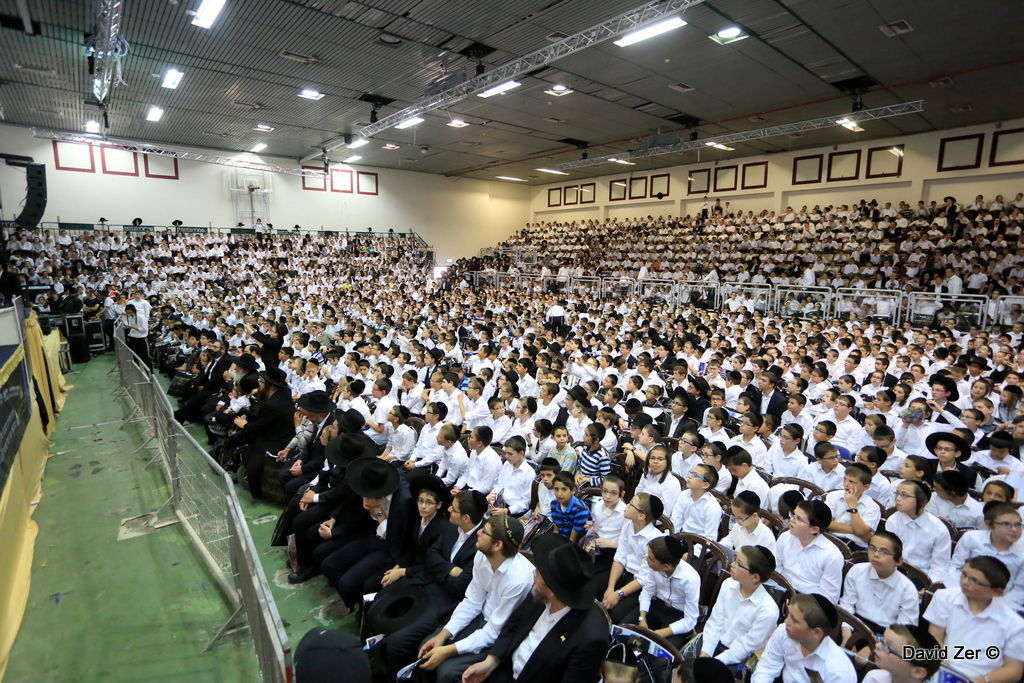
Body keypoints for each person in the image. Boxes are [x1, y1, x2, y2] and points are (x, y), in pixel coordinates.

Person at [460, 532, 610, 683]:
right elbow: (513, 624)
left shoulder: (590, 639)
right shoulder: (539, 595)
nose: (533, 574)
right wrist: (491, 662)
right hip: (504, 670)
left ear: (552, 590)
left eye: (538, 573)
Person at [417, 514, 534, 683]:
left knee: (446, 672)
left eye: (484, 532)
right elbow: (472, 601)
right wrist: (444, 634)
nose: (478, 532)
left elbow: (494, 631)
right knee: (428, 647)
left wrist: (449, 650)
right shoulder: (482, 555)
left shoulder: (519, 580)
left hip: (498, 636)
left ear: (497, 545)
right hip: (480, 618)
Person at [382, 490, 487, 678]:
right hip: (427, 584)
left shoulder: (482, 542)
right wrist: (450, 568)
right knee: (383, 606)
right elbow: (431, 555)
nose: (448, 510)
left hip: (446, 603)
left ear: (466, 518)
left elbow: (460, 586)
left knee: (398, 641)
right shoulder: (450, 527)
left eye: (453, 509)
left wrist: (440, 568)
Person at [924, 555, 1024, 682]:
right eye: (964, 574)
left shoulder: (1014, 624)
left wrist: (977, 680)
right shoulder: (944, 597)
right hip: (944, 668)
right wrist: (945, 666)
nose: (965, 582)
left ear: (996, 592)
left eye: (974, 581)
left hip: (984, 678)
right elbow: (935, 637)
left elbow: (1013, 670)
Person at [685, 545, 779, 674]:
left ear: (755, 577)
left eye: (739, 564)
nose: (732, 565)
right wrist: (706, 653)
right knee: (684, 670)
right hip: (714, 641)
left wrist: (713, 662)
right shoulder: (728, 584)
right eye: (735, 559)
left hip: (739, 659)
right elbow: (715, 621)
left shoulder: (768, 611)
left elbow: (745, 647)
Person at [750, 593, 856, 683]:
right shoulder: (784, 632)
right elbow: (767, 668)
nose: (786, 621)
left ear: (816, 633)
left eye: (794, 620)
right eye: (788, 614)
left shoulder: (838, 671)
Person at [838, 531, 919, 638]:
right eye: (872, 548)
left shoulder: (908, 589)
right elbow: (846, 606)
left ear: (899, 561)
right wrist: (847, 636)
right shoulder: (857, 571)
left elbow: (904, 631)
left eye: (884, 552)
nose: (876, 555)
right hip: (854, 624)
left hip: (886, 636)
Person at [238, 367, 296, 499]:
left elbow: (259, 426)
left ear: (271, 385)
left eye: (262, 382)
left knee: (253, 465)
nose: (259, 383)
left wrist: (244, 424)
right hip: (276, 431)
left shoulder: (272, 404)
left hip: (276, 439)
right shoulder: (284, 392)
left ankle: (258, 493)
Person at [637, 536, 700, 647]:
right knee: (625, 626)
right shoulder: (653, 567)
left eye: (651, 559)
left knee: (665, 654)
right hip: (657, 605)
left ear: (666, 566)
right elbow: (647, 592)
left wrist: (660, 633)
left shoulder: (690, 579)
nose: (646, 559)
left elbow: (690, 619)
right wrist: (642, 618)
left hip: (678, 615)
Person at [775, 499, 844, 601]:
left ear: (814, 529)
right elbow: (776, 569)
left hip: (809, 603)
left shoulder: (832, 555)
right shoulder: (785, 537)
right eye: (793, 514)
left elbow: (829, 598)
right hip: (781, 591)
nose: (791, 519)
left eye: (798, 518)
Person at [121, 303, 151, 368]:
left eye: (130, 312)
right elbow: (131, 327)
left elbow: (144, 330)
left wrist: (131, 327)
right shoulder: (130, 317)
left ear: (134, 311)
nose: (129, 314)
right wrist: (129, 329)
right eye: (127, 313)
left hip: (141, 339)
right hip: (133, 338)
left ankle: (150, 374)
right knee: (134, 356)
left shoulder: (141, 318)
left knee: (145, 357)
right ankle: (137, 371)